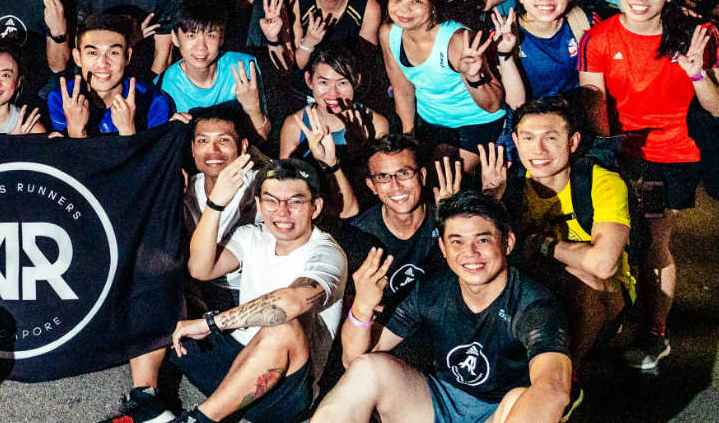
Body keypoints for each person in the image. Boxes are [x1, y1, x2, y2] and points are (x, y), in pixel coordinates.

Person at [576, 0, 719, 372]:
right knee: (612, 237)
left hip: (671, 155)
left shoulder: (697, 34)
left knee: (654, 239)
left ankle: (654, 330)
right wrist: (606, 159)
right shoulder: (598, 38)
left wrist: (697, 74)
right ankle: (607, 316)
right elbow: (594, 101)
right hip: (620, 153)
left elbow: (716, 107)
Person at [312, 192, 572, 423]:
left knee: (519, 397)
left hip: (500, 413)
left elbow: (554, 389)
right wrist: (361, 309)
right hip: (439, 404)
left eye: (482, 240)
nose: (470, 252)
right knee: (369, 369)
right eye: (457, 241)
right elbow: (353, 360)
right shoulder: (432, 290)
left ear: (508, 243)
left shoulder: (534, 305)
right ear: (443, 248)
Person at [100, 105, 257, 423]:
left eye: (223, 140)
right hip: (201, 295)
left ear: (242, 147)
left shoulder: (262, 187)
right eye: (202, 141)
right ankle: (145, 398)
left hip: (247, 306)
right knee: (147, 271)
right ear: (192, 148)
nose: (213, 151)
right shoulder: (189, 186)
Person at [173, 158, 346, 423]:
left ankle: (200, 419)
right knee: (163, 293)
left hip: (282, 388)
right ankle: (146, 396)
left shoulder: (327, 253)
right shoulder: (252, 235)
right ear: (259, 204)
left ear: (316, 207)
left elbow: (292, 302)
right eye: (271, 201)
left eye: (295, 202)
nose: (282, 212)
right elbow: (200, 269)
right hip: (234, 358)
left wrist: (210, 323)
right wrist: (215, 204)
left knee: (282, 327)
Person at [500, 96, 633, 364]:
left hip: (601, 293)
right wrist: (491, 199)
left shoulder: (601, 182)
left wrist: (542, 244)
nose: (538, 150)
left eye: (550, 138)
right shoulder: (509, 185)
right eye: (528, 138)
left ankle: (566, 374)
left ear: (572, 142)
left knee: (585, 281)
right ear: (515, 141)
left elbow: (603, 265)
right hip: (537, 282)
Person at [380, 0, 505, 169]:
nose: (404, 9)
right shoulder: (389, 33)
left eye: (416, 1)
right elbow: (402, 91)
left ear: (433, 5)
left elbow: (493, 105)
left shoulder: (458, 40)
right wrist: (408, 139)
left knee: (441, 179)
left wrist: (472, 77)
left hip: (475, 122)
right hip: (430, 121)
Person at [336, 135, 450, 318]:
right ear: (372, 186)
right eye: (383, 177)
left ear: (422, 176)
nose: (395, 186)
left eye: (404, 173)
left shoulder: (445, 216)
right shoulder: (359, 233)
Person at [158, 0, 269, 139]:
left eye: (210, 35)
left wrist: (253, 109)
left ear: (221, 37)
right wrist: (170, 132)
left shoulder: (244, 68)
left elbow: (263, 138)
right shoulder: (164, 85)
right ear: (175, 38)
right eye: (191, 36)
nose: (201, 47)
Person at [46, 13, 173, 136]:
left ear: (127, 56)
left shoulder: (153, 102)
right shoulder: (61, 100)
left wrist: (128, 130)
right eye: (92, 53)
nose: (103, 63)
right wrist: (76, 131)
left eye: (113, 53)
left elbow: (155, 151)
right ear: (77, 57)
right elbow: (65, 150)